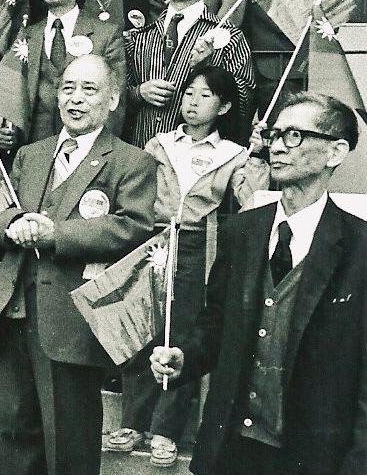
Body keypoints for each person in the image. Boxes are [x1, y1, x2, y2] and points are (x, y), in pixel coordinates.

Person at [151, 92, 367, 475]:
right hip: (231, 449)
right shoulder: (243, 231)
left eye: (294, 136)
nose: (277, 147)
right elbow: (216, 322)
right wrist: (186, 357)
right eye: (275, 134)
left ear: (335, 151)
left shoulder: (359, 248)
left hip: (311, 456)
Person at [0, 54, 156, 475]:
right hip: (14, 308)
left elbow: (134, 226)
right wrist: (15, 225)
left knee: (68, 442)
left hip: (73, 318)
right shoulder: (29, 155)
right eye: (67, 88)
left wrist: (56, 234)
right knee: (9, 432)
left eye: (89, 90)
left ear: (113, 99)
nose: (75, 100)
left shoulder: (132, 161)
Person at [109, 67, 259, 468]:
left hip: (197, 244)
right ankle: (133, 420)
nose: (193, 102)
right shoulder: (158, 144)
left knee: (185, 330)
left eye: (205, 96)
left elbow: (251, 200)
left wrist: (257, 157)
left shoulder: (233, 154)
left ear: (224, 106)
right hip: (153, 241)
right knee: (144, 324)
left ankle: (167, 427)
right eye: (189, 93)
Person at [0, 0, 125, 150]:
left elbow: (115, 106)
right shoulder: (26, 36)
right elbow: (12, 101)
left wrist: (96, 155)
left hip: (85, 155)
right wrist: (11, 134)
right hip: (33, 154)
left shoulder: (105, 35)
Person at [125, 0, 252, 146]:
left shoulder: (228, 37)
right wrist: (139, 92)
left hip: (197, 160)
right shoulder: (138, 36)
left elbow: (243, 105)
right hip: (141, 156)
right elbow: (115, 98)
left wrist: (208, 70)